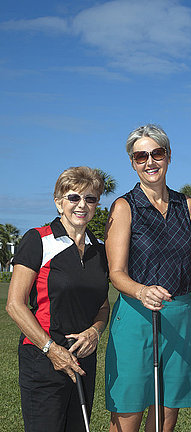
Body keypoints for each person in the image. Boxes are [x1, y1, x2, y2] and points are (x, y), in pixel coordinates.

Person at [105, 124, 191, 432]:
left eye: (156, 153)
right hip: (136, 315)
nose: (150, 162)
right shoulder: (124, 206)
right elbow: (116, 273)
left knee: (166, 412)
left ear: (168, 157)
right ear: (132, 162)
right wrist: (142, 291)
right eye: (140, 156)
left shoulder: (187, 206)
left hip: (181, 316)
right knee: (128, 408)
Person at [6, 166, 110, 432]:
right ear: (58, 202)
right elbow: (15, 305)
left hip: (83, 360)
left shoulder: (100, 250)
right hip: (43, 359)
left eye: (90, 198)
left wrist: (95, 333)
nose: (82, 205)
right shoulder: (38, 239)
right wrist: (51, 350)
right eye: (73, 197)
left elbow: (103, 305)